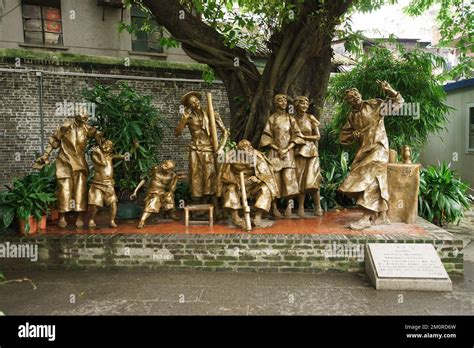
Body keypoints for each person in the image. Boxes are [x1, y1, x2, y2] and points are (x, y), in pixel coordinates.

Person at [338, 80, 404, 230]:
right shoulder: (352, 116)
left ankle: (366, 217)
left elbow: (398, 103)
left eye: (356, 94)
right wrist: (353, 136)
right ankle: (382, 216)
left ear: (360, 94)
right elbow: (343, 136)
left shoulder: (374, 104)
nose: (354, 97)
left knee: (370, 178)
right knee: (377, 179)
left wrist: (390, 90)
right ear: (347, 102)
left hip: (379, 148)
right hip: (364, 151)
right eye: (350, 97)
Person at [34, 109, 103, 228]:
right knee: (64, 189)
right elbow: (54, 141)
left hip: (80, 163)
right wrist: (45, 155)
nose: (86, 119)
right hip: (64, 161)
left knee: (80, 190)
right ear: (76, 115)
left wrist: (101, 141)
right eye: (83, 116)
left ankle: (80, 216)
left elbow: (98, 135)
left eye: (87, 117)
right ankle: (62, 216)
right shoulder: (66, 126)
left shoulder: (87, 129)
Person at [175, 91, 228, 213]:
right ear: (189, 105)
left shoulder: (211, 114)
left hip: (209, 148)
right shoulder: (188, 117)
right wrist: (183, 120)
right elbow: (177, 133)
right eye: (191, 102)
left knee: (210, 175)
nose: (195, 103)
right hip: (195, 149)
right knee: (195, 175)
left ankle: (214, 205)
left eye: (196, 100)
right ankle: (198, 203)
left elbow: (225, 132)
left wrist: (221, 147)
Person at [259, 94, 304, 217]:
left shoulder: (291, 119)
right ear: (275, 103)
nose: (283, 102)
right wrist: (277, 149)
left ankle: (289, 206)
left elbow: (297, 136)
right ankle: (274, 207)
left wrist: (286, 149)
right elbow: (266, 137)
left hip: (288, 153)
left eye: (285, 100)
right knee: (275, 180)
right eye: (280, 100)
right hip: (274, 153)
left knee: (290, 180)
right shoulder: (272, 119)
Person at [220, 140, 279, 228]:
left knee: (266, 188)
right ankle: (236, 218)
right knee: (230, 189)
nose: (249, 149)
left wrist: (257, 178)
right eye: (245, 147)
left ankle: (258, 217)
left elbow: (267, 174)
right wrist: (234, 182)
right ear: (239, 150)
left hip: (253, 186)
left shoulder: (257, 156)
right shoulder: (231, 157)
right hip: (238, 184)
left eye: (249, 146)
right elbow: (224, 176)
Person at [293, 96, 323, 217]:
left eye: (306, 104)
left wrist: (303, 137)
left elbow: (317, 136)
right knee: (300, 178)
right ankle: (300, 207)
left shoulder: (311, 118)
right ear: (296, 105)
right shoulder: (292, 119)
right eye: (302, 103)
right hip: (298, 151)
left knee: (312, 179)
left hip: (311, 152)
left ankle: (318, 206)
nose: (305, 106)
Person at [130, 160, 181, 229]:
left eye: (171, 169)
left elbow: (171, 190)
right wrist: (135, 191)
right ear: (163, 165)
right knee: (154, 201)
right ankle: (142, 221)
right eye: (168, 168)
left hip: (162, 193)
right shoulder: (155, 170)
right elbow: (144, 179)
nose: (169, 171)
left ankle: (171, 213)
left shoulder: (171, 175)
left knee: (169, 196)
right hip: (153, 193)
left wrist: (176, 180)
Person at [87, 140, 124, 228]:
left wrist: (128, 154)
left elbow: (123, 157)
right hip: (98, 184)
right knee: (95, 205)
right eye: (105, 145)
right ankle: (91, 219)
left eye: (109, 146)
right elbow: (102, 163)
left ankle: (112, 221)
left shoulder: (110, 156)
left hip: (109, 184)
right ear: (101, 145)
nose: (107, 147)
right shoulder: (95, 155)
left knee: (113, 204)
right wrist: (99, 152)